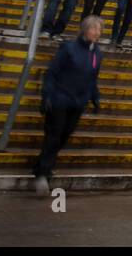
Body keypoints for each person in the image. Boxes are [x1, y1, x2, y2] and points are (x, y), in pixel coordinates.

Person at [33, 15, 103, 196]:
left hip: (78, 102)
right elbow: (52, 73)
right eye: (94, 29)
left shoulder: (97, 53)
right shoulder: (69, 49)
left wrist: (95, 97)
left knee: (65, 135)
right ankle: (43, 173)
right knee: (54, 135)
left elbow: (92, 78)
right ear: (85, 30)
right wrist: (46, 95)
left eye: (99, 30)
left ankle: (42, 165)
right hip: (59, 99)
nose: (97, 33)